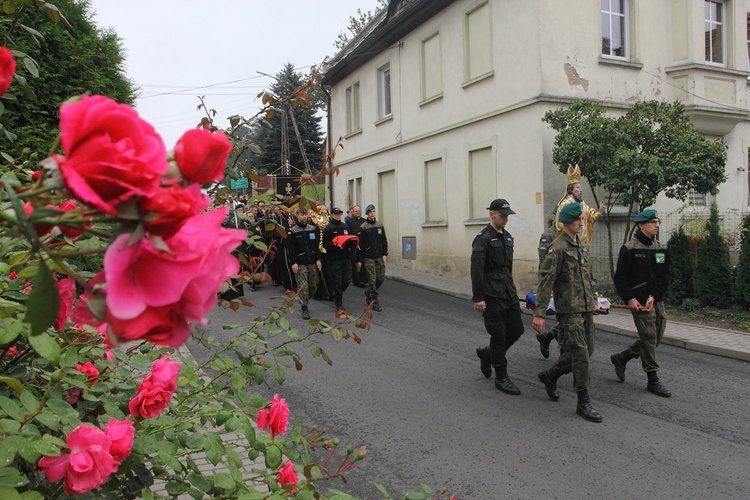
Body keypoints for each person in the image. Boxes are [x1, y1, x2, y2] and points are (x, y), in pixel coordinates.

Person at [533, 202, 602, 423]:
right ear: (566, 223)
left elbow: (586, 279)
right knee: (581, 354)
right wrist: (540, 313)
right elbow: (546, 282)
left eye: (582, 220)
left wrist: (594, 302)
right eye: (578, 220)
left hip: (585, 308)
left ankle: (550, 375)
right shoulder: (558, 248)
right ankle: (583, 401)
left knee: (586, 351)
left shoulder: (580, 246)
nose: (582, 223)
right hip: (569, 310)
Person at [610, 209, 672, 397]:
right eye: (652, 222)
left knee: (655, 339)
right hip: (639, 303)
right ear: (641, 225)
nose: (657, 225)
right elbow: (620, 278)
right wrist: (630, 298)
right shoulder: (629, 249)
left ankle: (622, 357)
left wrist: (655, 295)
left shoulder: (661, 248)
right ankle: (653, 380)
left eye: (657, 221)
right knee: (648, 338)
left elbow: (665, 276)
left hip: (656, 300)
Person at [472, 199, 525, 395]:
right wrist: (478, 297)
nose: (505, 219)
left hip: (507, 291)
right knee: (499, 333)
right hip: (491, 293)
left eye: (507, 216)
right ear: (491, 214)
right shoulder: (483, 238)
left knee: (517, 329)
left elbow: (507, 269)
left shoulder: (508, 237)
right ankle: (501, 377)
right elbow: (476, 269)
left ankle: (488, 353)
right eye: (502, 215)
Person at [286, 207, 322, 320]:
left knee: (314, 284)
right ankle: (304, 306)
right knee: (303, 286)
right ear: (297, 215)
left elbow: (317, 246)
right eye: (302, 214)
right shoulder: (293, 231)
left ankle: (304, 298)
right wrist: (293, 262)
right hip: (300, 263)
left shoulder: (312, 228)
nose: (304, 216)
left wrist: (319, 259)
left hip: (312, 261)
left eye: (305, 214)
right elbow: (290, 249)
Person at [555, 164, 603, 247]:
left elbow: (590, 218)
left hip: (582, 244)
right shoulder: (564, 205)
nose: (580, 190)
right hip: (569, 243)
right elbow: (560, 225)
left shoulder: (582, 205)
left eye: (580, 188)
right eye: (577, 188)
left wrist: (599, 213)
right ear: (571, 190)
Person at [535, 218, 561, 359]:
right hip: (553, 282)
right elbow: (544, 261)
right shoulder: (548, 235)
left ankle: (548, 336)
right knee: (567, 322)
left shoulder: (569, 235)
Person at [322, 207, 357, 312]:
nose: (338, 216)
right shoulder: (328, 228)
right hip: (335, 258)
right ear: (332, 215)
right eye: (336, 214)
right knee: (338, 280)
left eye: (339, 214)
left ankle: (338, 293)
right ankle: (339, 302)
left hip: (346, 257)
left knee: (346, 280)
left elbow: (350, 240)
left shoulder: (345, 227)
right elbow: (325, 244)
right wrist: (334, 243)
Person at [358, 204, 388, 311]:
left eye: (374, 211)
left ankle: (369, 292)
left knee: (380, 278)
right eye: (370, 212)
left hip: (379, 255)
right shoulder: (364, 227)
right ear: (367, 214)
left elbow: (384, 240)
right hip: (369, 257)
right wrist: (360, 259)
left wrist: (384, 254)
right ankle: (374, 300)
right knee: (372, 279)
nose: (372, 213)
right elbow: (360, 244)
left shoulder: (379, 225)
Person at [347, 205, 367, 288]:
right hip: (353, 245)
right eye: (356, 211)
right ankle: (357, 280)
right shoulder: (349, 221)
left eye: (359, 211)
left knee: (362, 262)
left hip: (363, 245)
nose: (358, 212)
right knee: (355, 263)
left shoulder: (365, 221)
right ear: (353, 212)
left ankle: (363, 278)